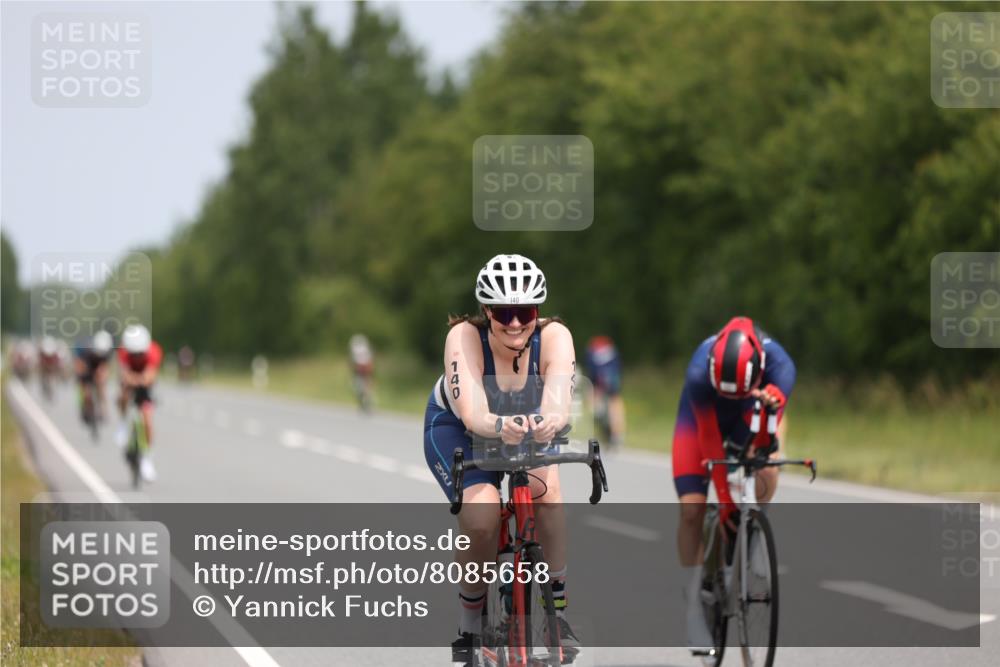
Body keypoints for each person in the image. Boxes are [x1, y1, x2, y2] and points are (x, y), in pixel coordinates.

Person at [423, 254, 580, 665]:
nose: (514, 324)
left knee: (549, 492)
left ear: (538, 312)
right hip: (459, 428)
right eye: (504, 313)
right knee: (482, 516)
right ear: (487, 312)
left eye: (524, 312)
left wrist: (547, 422)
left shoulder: (556, 337)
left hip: (524, 427)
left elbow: (559, 406)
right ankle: (470, 623)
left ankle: (557, 613)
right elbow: (474, 414)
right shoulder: (463, 337)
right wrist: (500, 425)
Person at [671, 316, 796, 652]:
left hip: (749, 416)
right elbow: (710, 442)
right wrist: (724, 499)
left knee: (768, 464)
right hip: (700, 426)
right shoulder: (699, 369)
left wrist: (768, 421)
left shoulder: (781, 366)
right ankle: (694, 604)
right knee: (691, 509)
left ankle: (754, 530)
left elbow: (768, 438)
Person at [116, 324, 163, 482]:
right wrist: (131, 380)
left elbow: (150, 375)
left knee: (148, 420)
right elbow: (124, 374)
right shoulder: (123, 352)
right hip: (130, 380)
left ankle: (147, 459)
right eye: (133, 354)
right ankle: (123, 423)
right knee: (122, 396)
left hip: (144, 383)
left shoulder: (154, 351)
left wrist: (141, 380)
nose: (136, 356)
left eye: (139, 354)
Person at [585, 335, 625, 448]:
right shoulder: (612, 351)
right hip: (612, 374)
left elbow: (591, 375)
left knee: (594, 394)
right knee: (615, 400)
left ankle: (597, 413)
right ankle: (617, 434)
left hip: (597, 376)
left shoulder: (591, 351)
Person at [73, 330, 113, 423]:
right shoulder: (86, 350)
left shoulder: (107, 352)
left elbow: (105, 367)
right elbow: (79, 365)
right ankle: (85, 406)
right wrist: (82, 374)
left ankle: (103, 408)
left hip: (97, 367)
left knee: (102, 385)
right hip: (86, 366)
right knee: (87, 393)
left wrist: (102, 375)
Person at [349, 333, 374, 412]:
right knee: (360, 388)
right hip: (360, 371)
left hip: (364, 371)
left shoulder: (363, 350)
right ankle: (363, 403)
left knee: (363, 388)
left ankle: (366, 403)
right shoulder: (362, 350)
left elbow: (369, 362)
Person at [37, 336, 62, 400]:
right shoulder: (42, 353)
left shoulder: (55, 354)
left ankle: (53, 388)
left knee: (54, 376)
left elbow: (58, 364)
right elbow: (40, 364)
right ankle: (43, 385)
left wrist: (56, 369)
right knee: (43, 375)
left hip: (52, 367)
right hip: (45, 367)